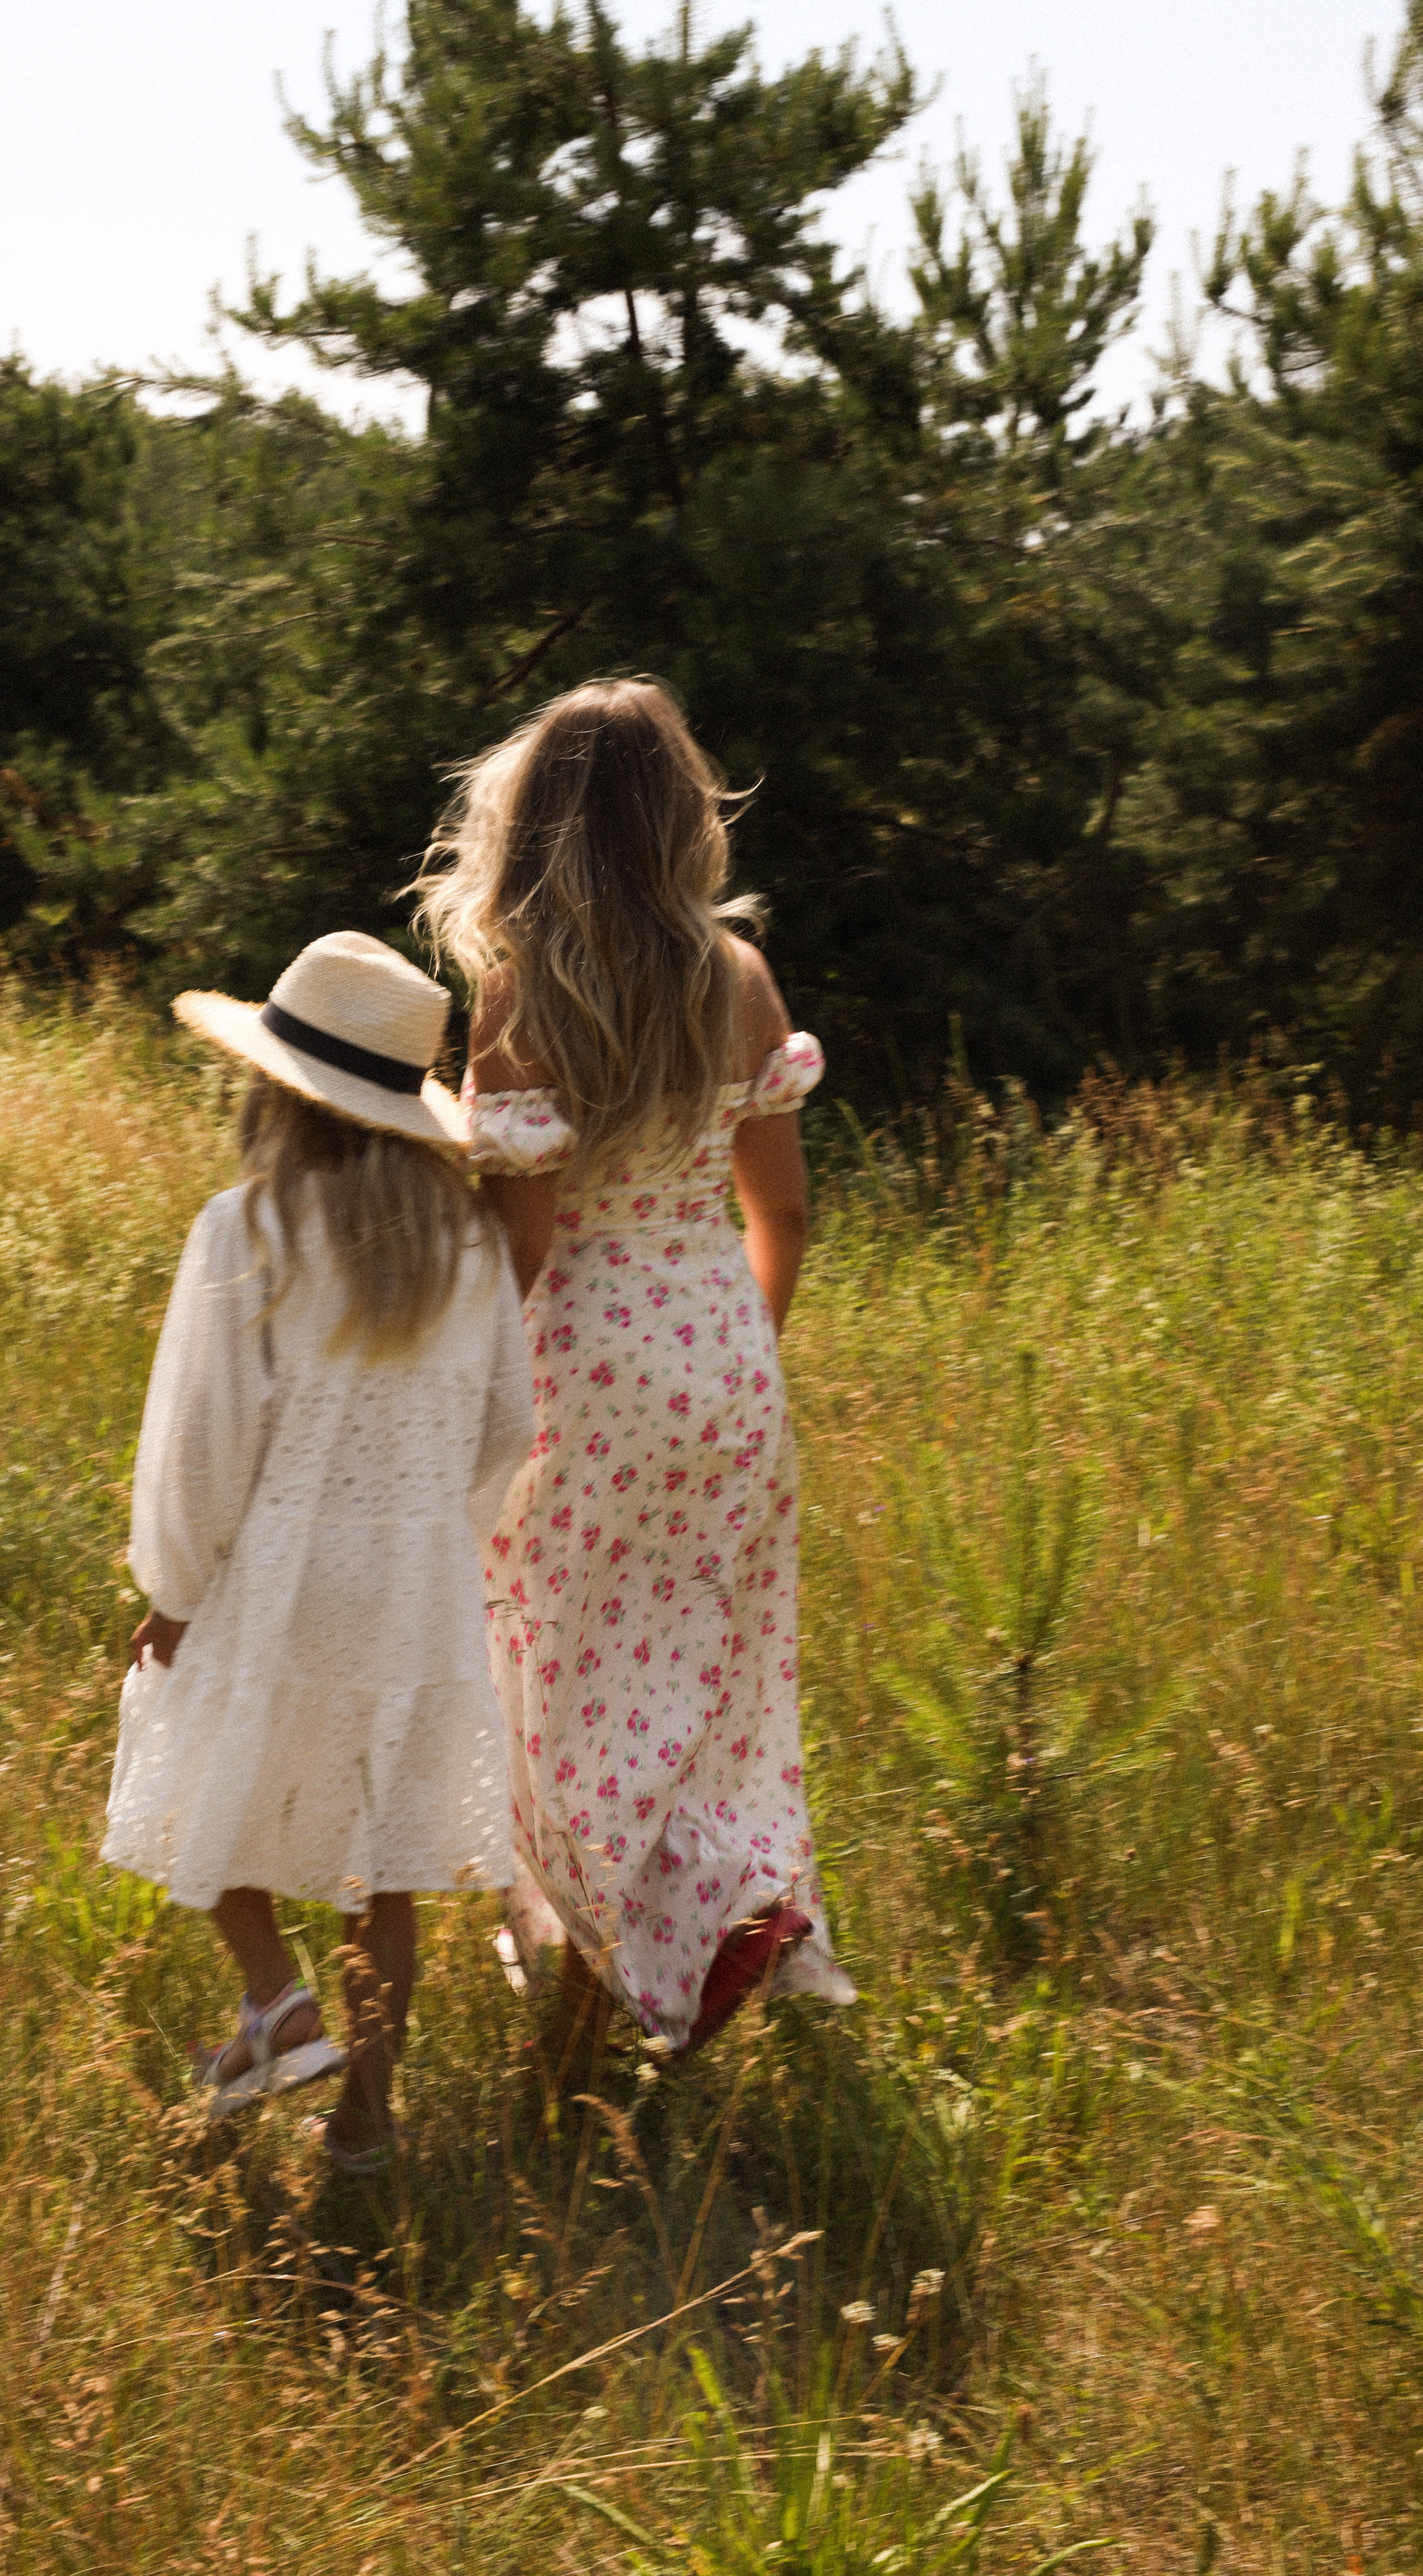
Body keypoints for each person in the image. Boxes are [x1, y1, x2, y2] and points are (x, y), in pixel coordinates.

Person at [418, 680, 856, 2054]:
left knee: (554, 1673)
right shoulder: (733, 978)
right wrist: (734, 1360)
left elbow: (525, 1249)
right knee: (703, 1662)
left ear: (533, 823)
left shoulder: (522, 987)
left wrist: (456, 1396)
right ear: (678, 819)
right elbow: (780, 1213)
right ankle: (723, 1899)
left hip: (581, 1366)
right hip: (718, 1351)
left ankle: (602, 1977)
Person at [102, 932, 533, 2171]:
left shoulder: (250, 1231)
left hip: (278, 1577)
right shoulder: (463, 1248)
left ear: (278, 1091)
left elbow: (201, 1442)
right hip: (414, 1591)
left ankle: (276, 2001)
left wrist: (173, 1596)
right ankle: (364, 2119)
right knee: (377, 1863)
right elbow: (508, 1424)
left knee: (196, 1783)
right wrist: (439, 1540)